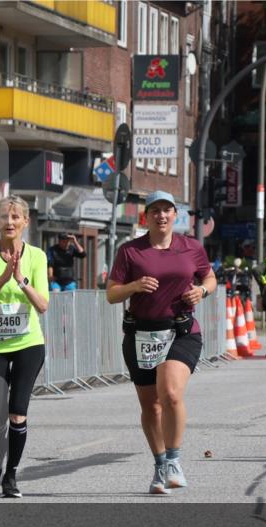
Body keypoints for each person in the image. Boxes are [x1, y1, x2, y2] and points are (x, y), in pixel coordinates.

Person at [106, 191, 217, 495]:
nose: (162, 215)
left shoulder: (191, 247)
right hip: (141, 334)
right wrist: (134, 286)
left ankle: (174, 460)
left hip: (181, 331)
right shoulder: (130, 251)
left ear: (175, 215)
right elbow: (112, 294)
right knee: (151, 406)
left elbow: (210, 278)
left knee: (170, 393)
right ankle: (159, 465)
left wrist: (201, 292)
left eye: (167, 210)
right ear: (147, 216)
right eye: (155, 210)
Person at [0, 194, 49, 498]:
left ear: (26, 222)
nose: (10, 222)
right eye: (5, 216)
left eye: (16, 217)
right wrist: (3, 276)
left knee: (17, 412)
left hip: (28, 343)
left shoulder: (38, 257)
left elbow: (43, 305)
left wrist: (20, 280)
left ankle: (11, 475)